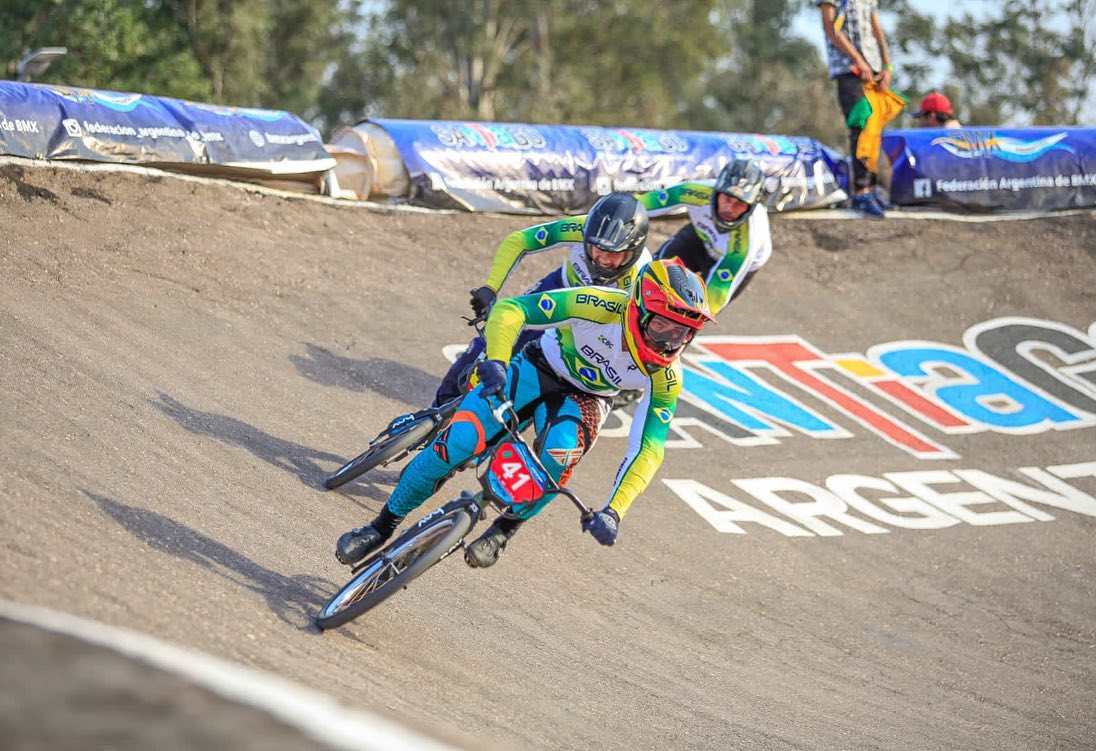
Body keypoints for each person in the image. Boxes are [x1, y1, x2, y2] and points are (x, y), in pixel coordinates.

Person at [335, 259, 715, 568]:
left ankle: (504, 529)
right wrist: (498, 359)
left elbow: (649, 448)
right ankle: (381, 526)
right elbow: (513, 309)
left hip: (587, 399)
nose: (670, 343)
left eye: (683, 333)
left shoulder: (667, 376)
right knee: (458, 442)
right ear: (637, 311)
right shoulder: (598, 304)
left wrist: (615, 511)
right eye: (662, 326)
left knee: (558, 459)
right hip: (539, 366)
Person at [431, 192, 652, 407]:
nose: (602, 259)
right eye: (596, 248)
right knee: (491, 340)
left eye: (613, 254)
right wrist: (491, 287)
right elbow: (519, 241)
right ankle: (437, 410)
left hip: (596, 320)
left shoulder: (641, 277)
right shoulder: (580, 228)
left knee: (545, 382)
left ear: (633, 252)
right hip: (560, 290)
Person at [636, 158, 772, 317]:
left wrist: (691, 319)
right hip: (701, 239)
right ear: (717, 191)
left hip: (734, 261)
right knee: (651, 276)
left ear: (751, 205)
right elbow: (641, 204)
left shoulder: (752, 233)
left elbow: (718, 291)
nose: (729, 208)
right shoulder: (698, 191)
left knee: (691, 314)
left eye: (740, 203)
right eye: (727, 198)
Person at [817, 0, 895, 219]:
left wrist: (887, 65)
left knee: (874, 130)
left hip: (874, 68)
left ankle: (872, 189)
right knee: (860, 126)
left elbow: (875, 26)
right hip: (849, 69)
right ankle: (861, 192)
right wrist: (857, 59)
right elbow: (830, 26)